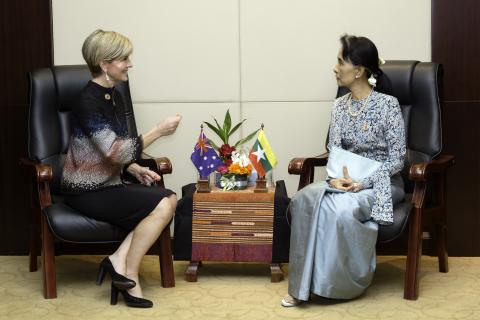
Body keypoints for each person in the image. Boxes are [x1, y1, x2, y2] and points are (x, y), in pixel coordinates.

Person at [282, 35, 406, 307]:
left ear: (359, 70)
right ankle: (301, 286)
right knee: (303, 199)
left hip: (381, 183)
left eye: (341, 62)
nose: (335, 67)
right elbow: (335, 151)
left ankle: (334, 287)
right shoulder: (339, 106)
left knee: (338, 210)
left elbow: (398, 159)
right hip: (341, 181)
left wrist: (361, 182)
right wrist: (337, 180)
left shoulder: (388, 106)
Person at [61, 29, 181, 308]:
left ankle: (117, 261)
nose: (130, 63)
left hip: (111, 183)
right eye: (124, 58)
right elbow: (115, 150)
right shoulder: (87, 101)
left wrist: (136, 168)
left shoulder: (112, 95)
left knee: (165, 201)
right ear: (104, 64)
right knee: (166, 201)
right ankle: (128, 272)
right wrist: (158, 131)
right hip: (86, 190)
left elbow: (115, 152)